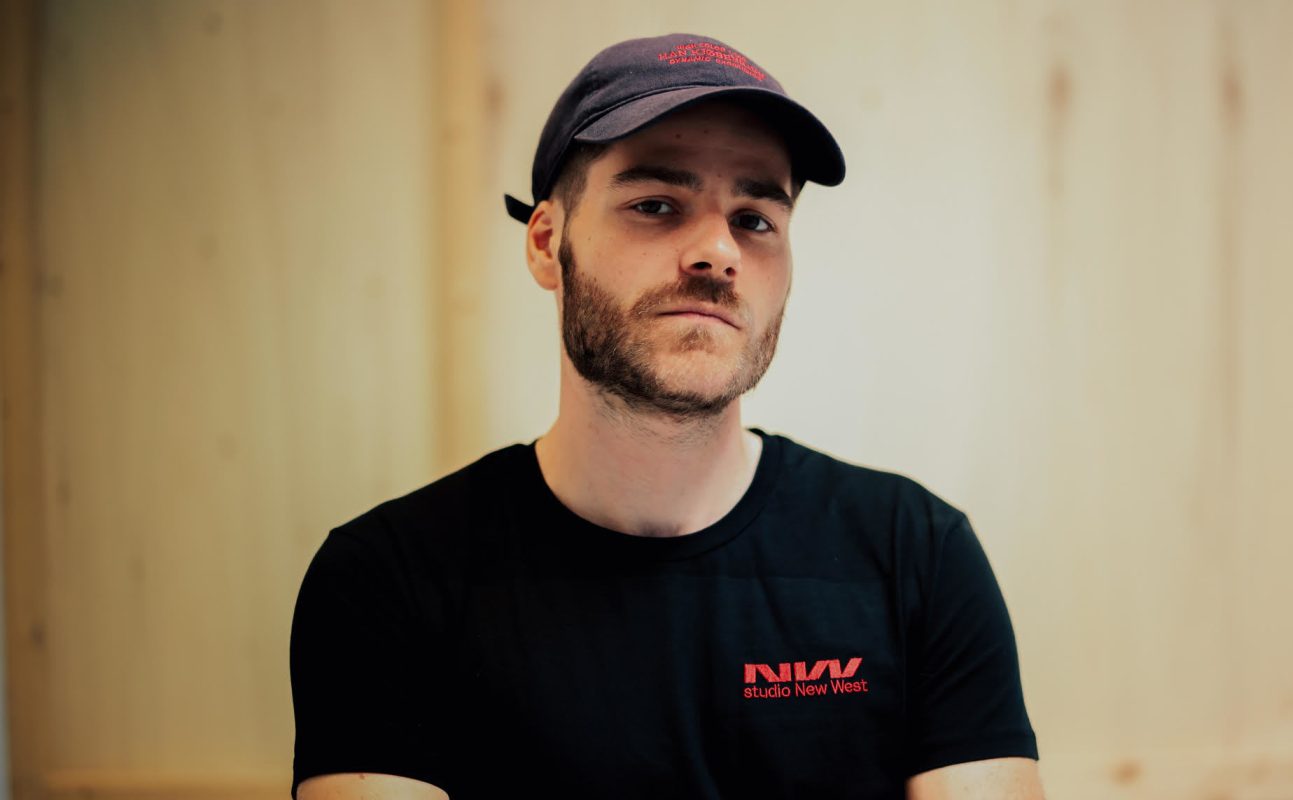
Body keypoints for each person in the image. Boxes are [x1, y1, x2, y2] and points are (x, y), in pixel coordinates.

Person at [291, 33, 1043, 800]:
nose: (717, 252)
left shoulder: (916, 556)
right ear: (548, 244)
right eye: (655, 205)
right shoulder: (387, 581)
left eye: (755, 218)